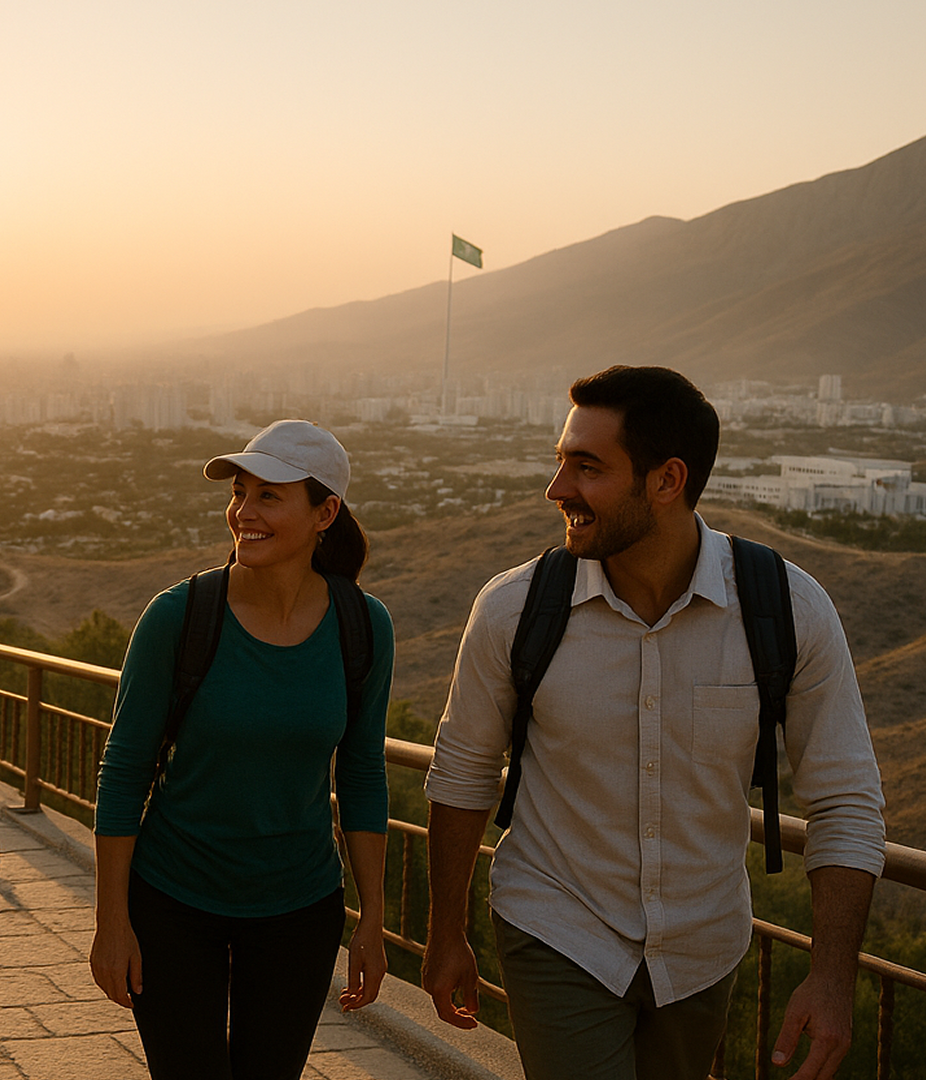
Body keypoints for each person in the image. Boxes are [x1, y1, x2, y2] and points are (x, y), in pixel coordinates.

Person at [420, 366, 886, 1080]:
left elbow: (845, 801)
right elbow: (463, 771)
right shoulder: (514, 612)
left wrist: (830, 979)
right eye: (560, 462)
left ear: (667, 481)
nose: (558, 490)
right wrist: (445, 930)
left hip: (704, 952)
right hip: (556, 928)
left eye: (587, 467)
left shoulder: (788, 612)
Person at [91, 419, 394, 1080]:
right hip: (173, 904)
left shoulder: (362, 626)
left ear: (326, 513)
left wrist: (371, 918)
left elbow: (364, 772)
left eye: (268, 496)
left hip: (300, 910)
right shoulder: (178, 617)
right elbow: (123, 774)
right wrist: (111, 923)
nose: (243, 513)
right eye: (239, 493)